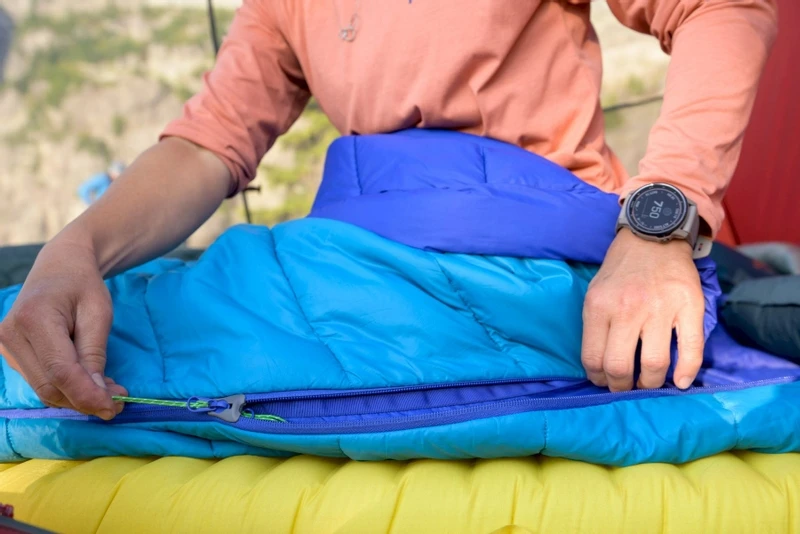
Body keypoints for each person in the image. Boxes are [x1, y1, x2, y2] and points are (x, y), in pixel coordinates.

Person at [0, 0, 778, 421]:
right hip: (356, 249)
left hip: (525, 261)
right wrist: (75, 252)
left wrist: (658, 228)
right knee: (47, 329)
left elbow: (720, 7)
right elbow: (211, 141)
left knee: (105, 360)